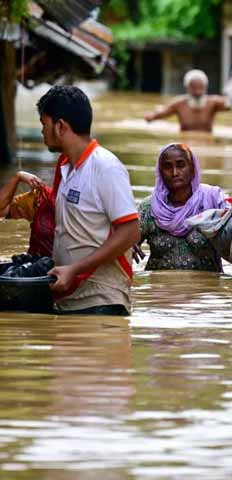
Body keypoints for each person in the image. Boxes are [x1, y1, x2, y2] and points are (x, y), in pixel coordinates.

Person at [38, 85, 139, 316]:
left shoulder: (106, 167)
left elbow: (130, 232)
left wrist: (74, 269)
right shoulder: (64, 167)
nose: (42, 132)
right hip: (68, 298)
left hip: (102, 299)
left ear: (61, 126)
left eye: (44, 124)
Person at [136, 143, 231, 272]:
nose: (174, 173)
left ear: (192, 168)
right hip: (160, 289)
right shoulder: (149, 208)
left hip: (206, 290)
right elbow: (127, 243)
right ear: (160, 172)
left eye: (181, 165)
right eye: (167, 167)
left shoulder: (213, 200)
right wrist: (126, 246)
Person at [144, 70, 232, 133]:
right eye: (194, 87)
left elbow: (231, 105)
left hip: (207, 139)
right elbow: (160, 114)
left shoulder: (213, 102)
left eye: (200, 87)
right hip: (185, 142)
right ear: (187, 87)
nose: (197, 91)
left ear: (205, 87)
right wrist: (151, 116)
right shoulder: (179, 103)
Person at [0, 171, 55, 256]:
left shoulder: (78, 211)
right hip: (37, 262)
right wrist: (18, 177)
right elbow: (2, 209)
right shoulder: (41, 198)